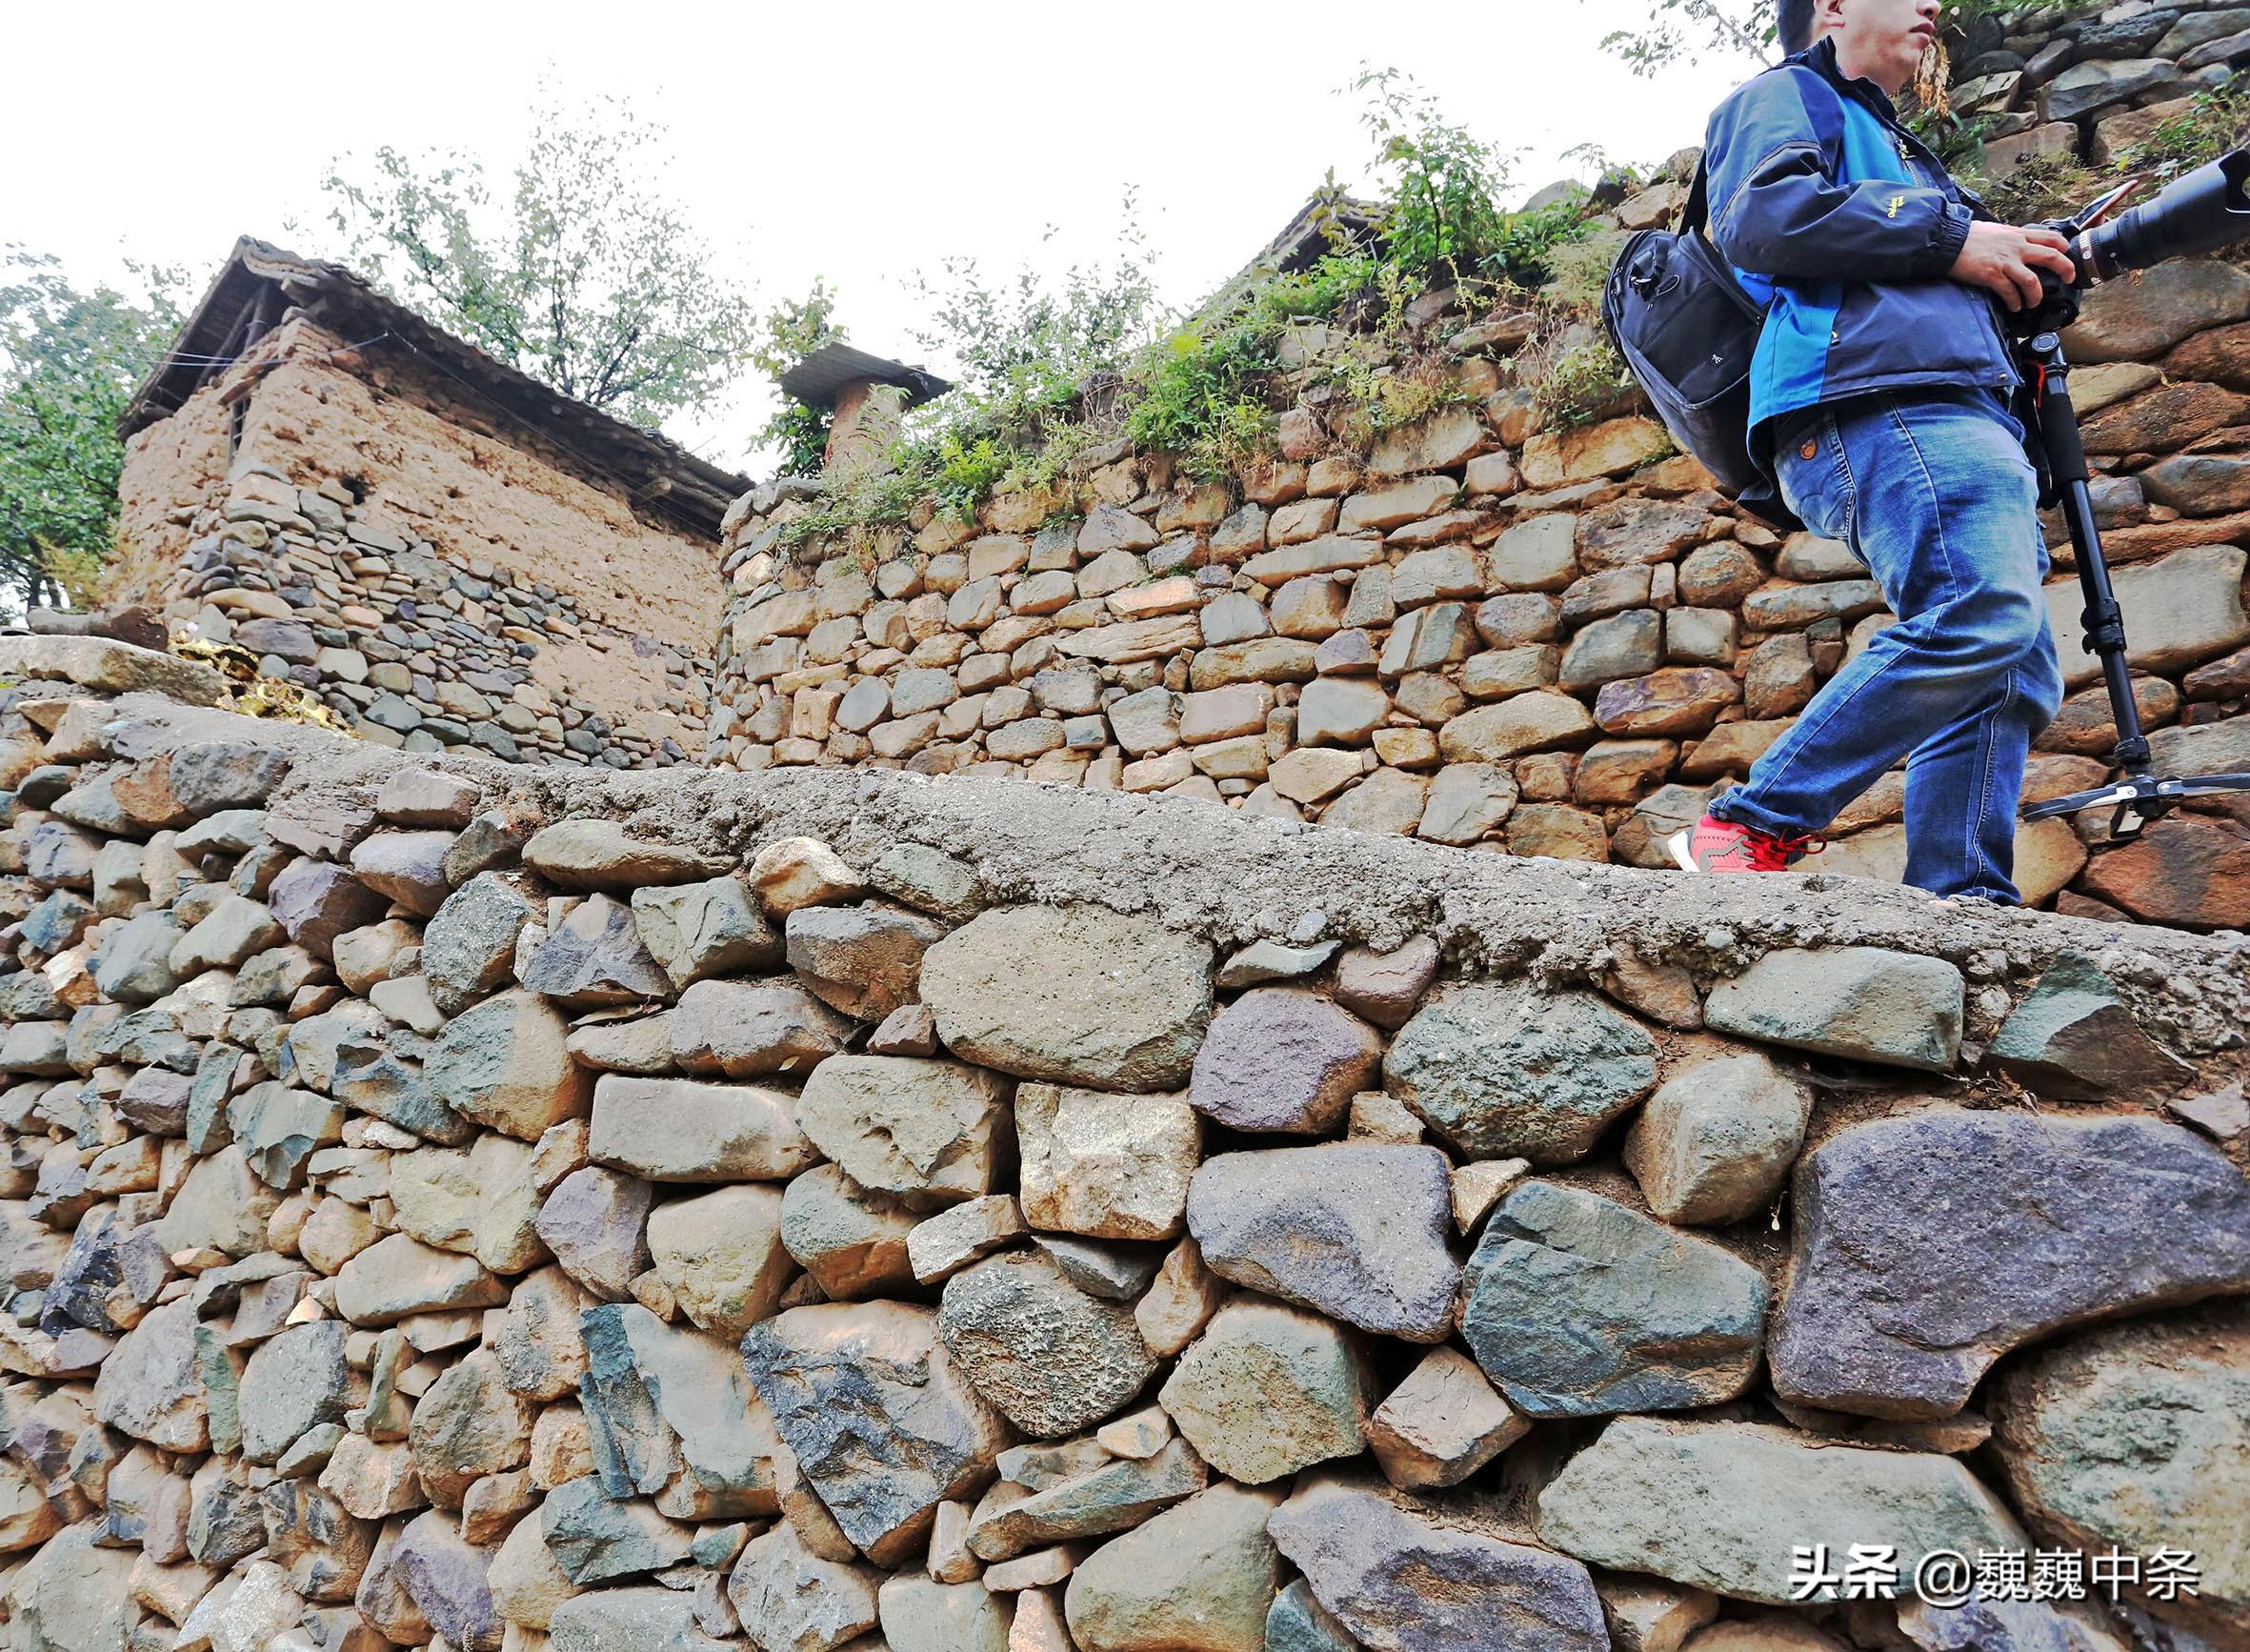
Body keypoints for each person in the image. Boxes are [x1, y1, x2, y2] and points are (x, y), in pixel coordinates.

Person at [1667, 0, 2079, 901]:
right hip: (1881, 401)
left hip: (1951, 408)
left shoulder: (1891, 145)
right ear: (1835, 6)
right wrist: (1952, 237)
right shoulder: (1787, 96)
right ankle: (1753, 821)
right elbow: (1765, 217)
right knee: (1983, 614)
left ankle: (1962, 897)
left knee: (2010, 669)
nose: (1935, 3)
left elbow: (1918, 276)